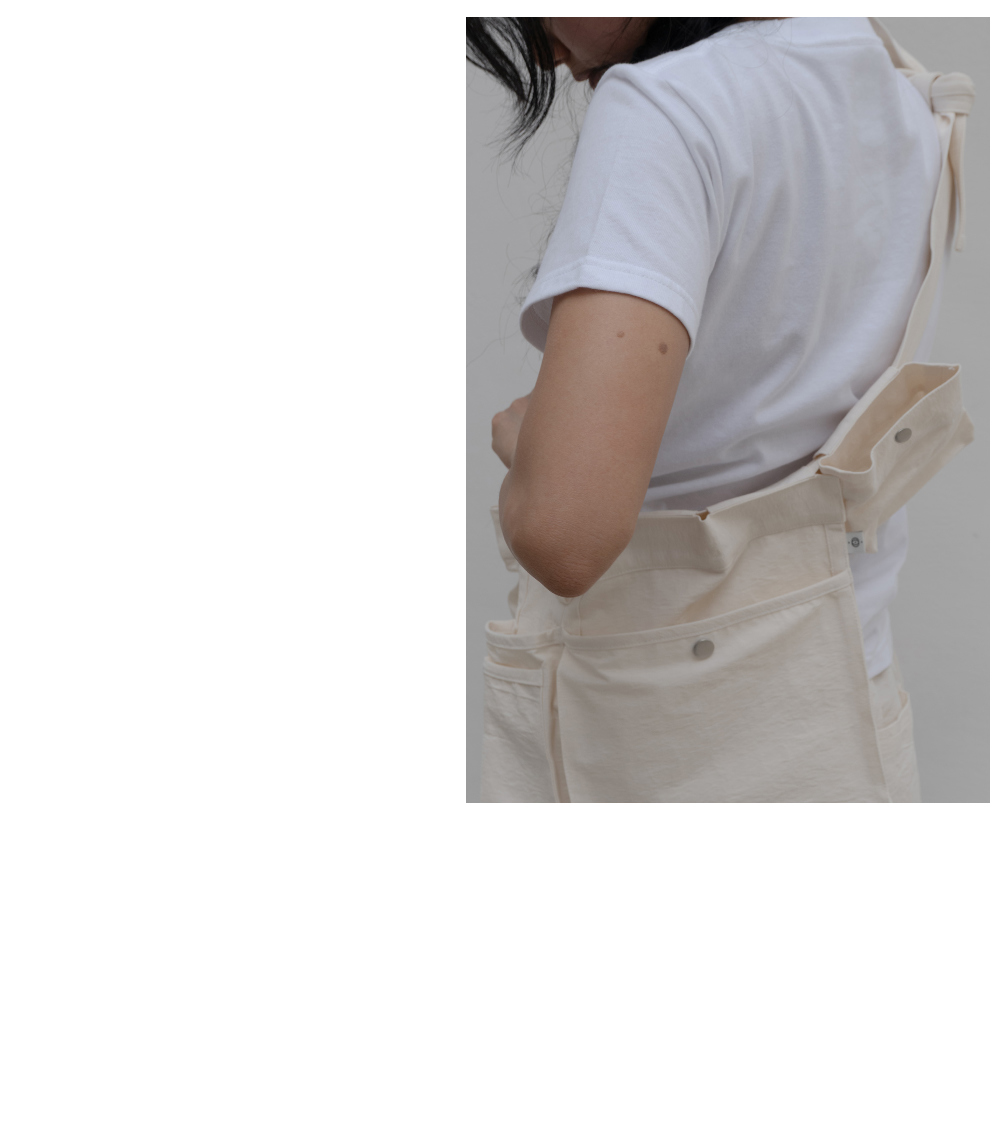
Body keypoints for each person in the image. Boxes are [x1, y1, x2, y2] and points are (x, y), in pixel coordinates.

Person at [467, 18, 974, 802]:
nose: (543, 48)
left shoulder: (665, 107)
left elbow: (565, 532)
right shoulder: (889, 78)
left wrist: (528, 438)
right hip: (851, 714)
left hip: (663, 742)